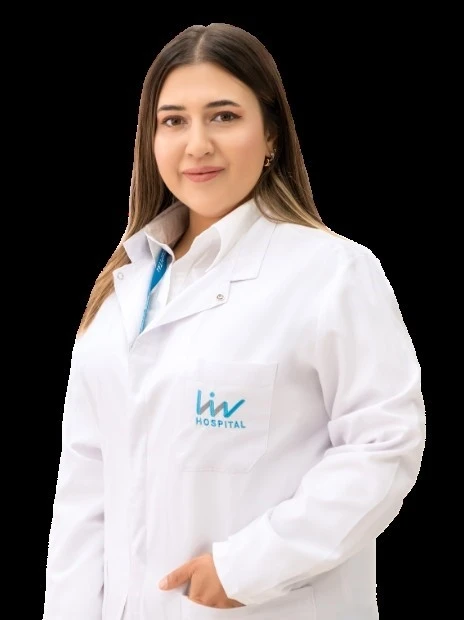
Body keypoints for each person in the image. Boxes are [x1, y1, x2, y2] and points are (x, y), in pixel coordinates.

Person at [43, 22, 426, 620]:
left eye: (223, 116)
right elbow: (86, 484)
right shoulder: (122, 289)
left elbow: (383, 445)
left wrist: (248, 567)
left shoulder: (333, 273)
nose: (197, 144)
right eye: (173, 120)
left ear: (270, 133)